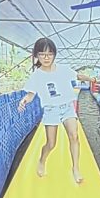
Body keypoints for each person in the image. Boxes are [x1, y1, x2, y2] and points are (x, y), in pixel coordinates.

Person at [23, 37, 85, 185]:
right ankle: (42, 160)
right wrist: (24, 100)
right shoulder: (36, 75)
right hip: (51, 110)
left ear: (54, 55)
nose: (46, 58)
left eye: (49, 54)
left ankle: (76, 168)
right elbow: (30, 94)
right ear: (37, 55)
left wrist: (93, 80)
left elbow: (77, 76)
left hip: (67, 107)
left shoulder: (63, 69)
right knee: (51, 143)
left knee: (74, 136)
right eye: (42, 54)